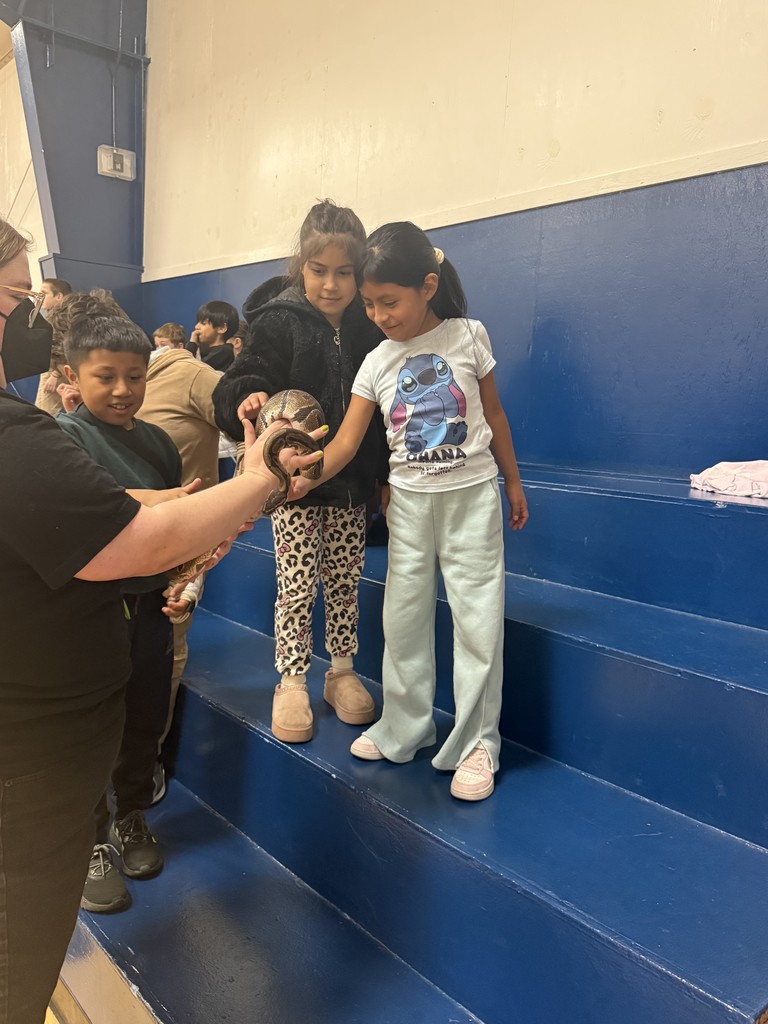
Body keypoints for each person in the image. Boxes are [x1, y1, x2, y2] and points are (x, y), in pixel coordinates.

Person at [0, 217, 322, 1023]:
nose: (29, 315)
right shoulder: (19, 435)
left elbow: (110, 509)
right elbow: (128, 536)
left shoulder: (49, 442)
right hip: (27, 766)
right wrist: (259, 480)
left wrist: (204, 505)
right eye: (17, 295)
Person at [290, 221, 529, 802]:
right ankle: (406, 727)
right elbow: (345, 443)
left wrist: (514, 482)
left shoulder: (468, 336)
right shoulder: (376, 361)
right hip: (410, 508)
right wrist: (299, 476)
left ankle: (477, 743)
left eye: (388, 302)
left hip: (471, 499)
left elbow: (494, 418)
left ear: (428, 285)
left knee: (477, 622)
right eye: (369, 304)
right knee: (403, 622)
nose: (379, 315)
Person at [214, 199, 387, 745]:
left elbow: (380, 414)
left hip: (351, 485)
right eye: (319, 271)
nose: (331, 285)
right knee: (295, 585)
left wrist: (381, 476)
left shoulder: (370, 327)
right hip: (294, 488)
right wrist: (247, 395)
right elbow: (239, 378)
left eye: (344, 273)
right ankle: (291, 679)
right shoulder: (276, 322)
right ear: (301, 267)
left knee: (344, 581)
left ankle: (340, 671)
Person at [57, 305, 189, 912]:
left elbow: (180, 527)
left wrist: (185, 577)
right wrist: (168, 502)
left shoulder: (159, 441)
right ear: (72, 376)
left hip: (153, 607)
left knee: (145, 711)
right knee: (90, 725)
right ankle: (86, 842)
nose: (122, 389)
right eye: (105, 375)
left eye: (135, 376)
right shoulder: (63, 437)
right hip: (90, 611)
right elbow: (109, 506)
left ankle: (130, 814)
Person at [34, 276, 73, 414]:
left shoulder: (68, 317)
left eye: (44, 293)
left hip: (60, 368)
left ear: (59, 296)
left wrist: (55, 374)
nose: (39, 296)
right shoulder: (54, 316)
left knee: (45, 412)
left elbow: (71, 347)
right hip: (54, 367)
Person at [188, 300, 238, 370]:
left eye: (203, 323)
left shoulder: (225, 351)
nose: (196, 326)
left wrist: (192, 344)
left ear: (221, 328)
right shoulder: (206, 350)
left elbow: (192, 369)